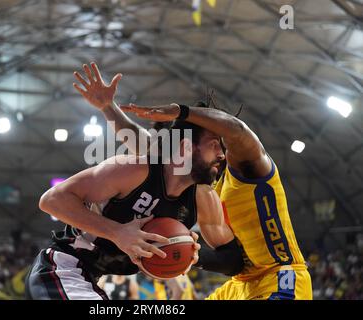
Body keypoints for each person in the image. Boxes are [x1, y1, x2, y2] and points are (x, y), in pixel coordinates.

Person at [80, 62, 312, 300]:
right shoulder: (200, 181)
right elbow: (149, 147)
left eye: (218, 144)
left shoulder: (250, 168)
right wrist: (108, 107)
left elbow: (238, 131)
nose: (220, 154)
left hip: (280, 274)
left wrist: (182, 112)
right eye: (212, 145)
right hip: (238, 285)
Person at [24, 64, 244, 300]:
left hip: (92, 282)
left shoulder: (203, 197)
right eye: (214, 146)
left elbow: (233, 260)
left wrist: (191, 255)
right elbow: (51, 200)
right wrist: (118, 233)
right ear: (187, 147)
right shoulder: (134, 169)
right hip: (63, 268)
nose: (222, 155)